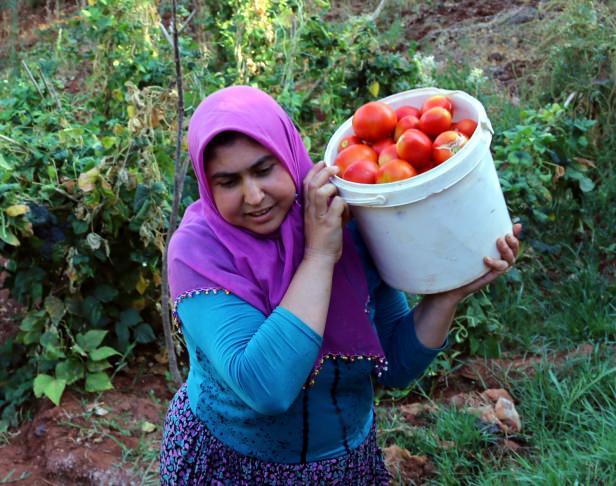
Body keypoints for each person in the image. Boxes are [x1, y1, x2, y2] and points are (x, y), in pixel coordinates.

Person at [159, 85, 521, 485]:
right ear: (208, 187)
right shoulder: (197, 253)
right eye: (228, 182)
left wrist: (446, 295)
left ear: (290, 153)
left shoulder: (344, 217)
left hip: (346, 468)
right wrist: (318, 256)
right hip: (230, 468)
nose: (254, 195)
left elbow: (395, 365)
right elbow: (266, 388)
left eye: (264, 170)